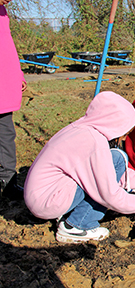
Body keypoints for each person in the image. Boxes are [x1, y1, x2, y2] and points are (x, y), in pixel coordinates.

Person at [24, 91, 135, 243]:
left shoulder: (83, 129)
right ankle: (77, 226)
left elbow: (116, 173)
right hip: (47, 202)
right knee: (117, 159)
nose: (123, 138)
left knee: (116, 159)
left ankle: (70, 214)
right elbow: (110, 195)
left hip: (45, 195)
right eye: (125, 132)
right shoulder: (94, 143)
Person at [0, 0, 27, 199]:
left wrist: (18, 74)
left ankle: (8, 182)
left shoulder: (3, 12)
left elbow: (6, 46)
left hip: (4, 86)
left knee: (6, 136)